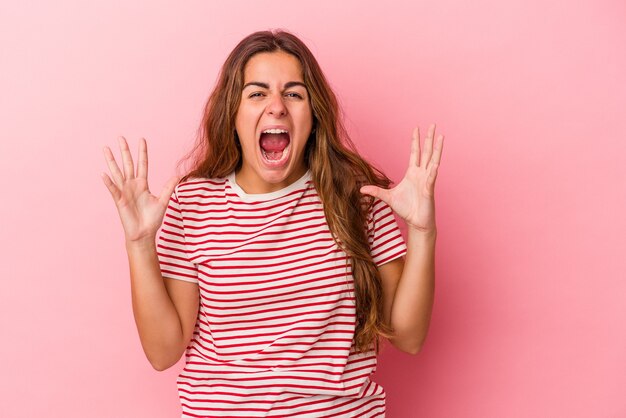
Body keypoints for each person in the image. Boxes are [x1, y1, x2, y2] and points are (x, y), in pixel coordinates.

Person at [102, 29, 443, 418]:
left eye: (294, 93)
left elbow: (410, 337)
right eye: (257, 93)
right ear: (233, 113)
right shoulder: (193, 203)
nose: (277, 106)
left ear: (314, 117)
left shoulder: (359, 199)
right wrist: (140, 244)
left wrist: (422, 232)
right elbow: (163, 353)